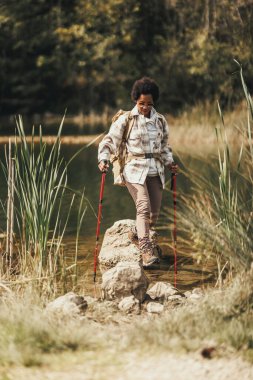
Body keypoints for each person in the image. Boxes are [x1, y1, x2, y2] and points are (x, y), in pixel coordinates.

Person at [98, 77, 178, 267]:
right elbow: (109, 140)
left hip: (155, 170)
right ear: (135, 100)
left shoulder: (160, 120)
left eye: (149, 103)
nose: (145, 107)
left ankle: (136, 234)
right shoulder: (126, 119)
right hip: (134, 169)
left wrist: (170, 163)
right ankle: (146, 251)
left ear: (154, 102)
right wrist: (103, 158)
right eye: (141, 103)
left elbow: (165, 146)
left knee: (153, 215)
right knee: (143, 207)